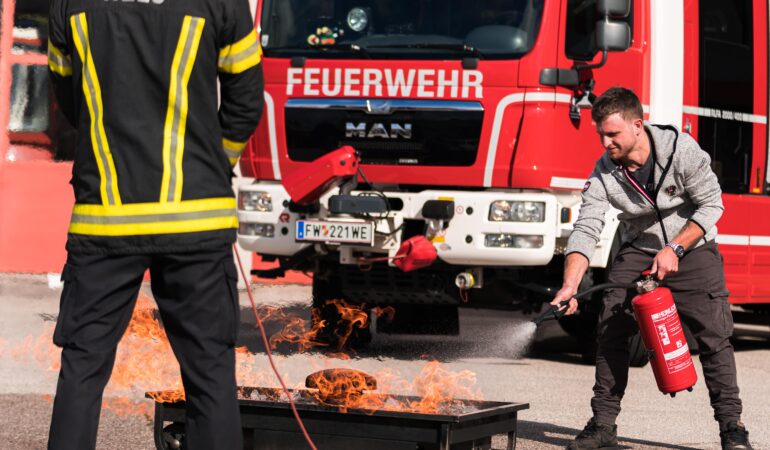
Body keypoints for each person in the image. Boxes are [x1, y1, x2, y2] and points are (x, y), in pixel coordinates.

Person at [46, 0, 264, 448]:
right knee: (210, 372)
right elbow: (245, 99)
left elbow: (70, 101)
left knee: (82, 370)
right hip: (196, 223)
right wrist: (211, 164)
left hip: (105, 220)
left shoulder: (69, 3)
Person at [551, 87, 752, 450]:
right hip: (639, 248)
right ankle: (602, 425)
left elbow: (711, 206)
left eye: (612, 134)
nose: (605, 142)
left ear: (638, 125)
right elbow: (586, 228)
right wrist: (570, 285)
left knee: (714, 337)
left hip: (694, 248)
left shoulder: (681, 151)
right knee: (610, 328)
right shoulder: (604, 173)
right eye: (601, 134)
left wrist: (675, 246)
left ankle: (732, 429)